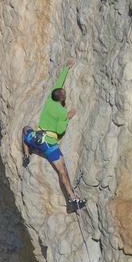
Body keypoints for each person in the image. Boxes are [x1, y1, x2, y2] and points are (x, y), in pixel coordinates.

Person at [23, 63, 86, 212]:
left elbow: (59, 83)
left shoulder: (49, 101)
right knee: (62, 171)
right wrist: (68, 117)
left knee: (25, 129)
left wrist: (66, 68)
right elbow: (59, 130)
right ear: (62, 98)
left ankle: (26, 154)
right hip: (49, 144)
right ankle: (73, 199)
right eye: (64, 93)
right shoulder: (61, 111)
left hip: (36, 137)